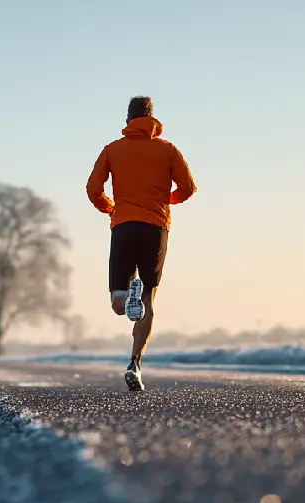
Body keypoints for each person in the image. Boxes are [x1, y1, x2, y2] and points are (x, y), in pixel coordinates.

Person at [86, 96, 196, 391]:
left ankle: (125, 294)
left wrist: (110, 207)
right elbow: (188, 188)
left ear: (128, 121)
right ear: (153, 120)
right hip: (155, 227)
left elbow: (92, 188)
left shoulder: (112, 150)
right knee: (148, 299)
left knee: (118, 303)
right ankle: (135, 363)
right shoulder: (168, 150)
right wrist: (164, 199)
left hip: (123, 225)